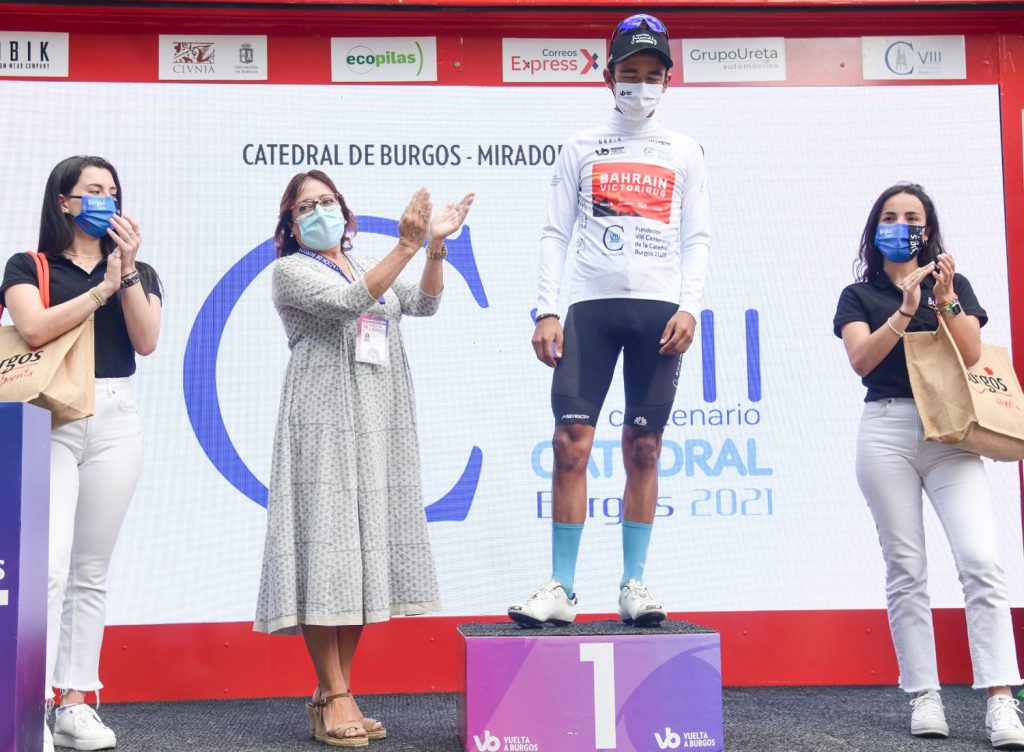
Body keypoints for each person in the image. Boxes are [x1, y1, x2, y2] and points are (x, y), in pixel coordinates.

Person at [253, 170, 473, 747]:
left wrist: (434, 246)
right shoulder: (291, 271)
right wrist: (406, 245)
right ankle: (335, 693)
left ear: (345, 212)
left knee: (356, 556)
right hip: (322, 417)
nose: (318, 212)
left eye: (327, 201)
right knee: (325, 550)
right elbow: (351, 303)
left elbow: (424, 303)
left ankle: (336, 691)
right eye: (305, 207)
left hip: (377, 419)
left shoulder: (364, 262)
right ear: (290, 223)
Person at [508, 13, 710, 628]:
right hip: (590, 311)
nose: (640, 85)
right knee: (570, 444)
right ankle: (562, 590)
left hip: (660, 314)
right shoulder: (580, 147)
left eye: (652, 75)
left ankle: (633, 585)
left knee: (644, 447)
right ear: (608, 76)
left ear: (667, 80)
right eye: (630, 73)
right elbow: (555, 232)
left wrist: (690, 305)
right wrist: (546, 308)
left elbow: (696, 238)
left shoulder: (684, 151)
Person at [833, 183, 1024, 748]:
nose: (901, 226)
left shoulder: (952, 285)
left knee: (981, 560)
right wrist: (905, 310)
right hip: (886, 429)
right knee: (906, 568)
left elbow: (971, 352)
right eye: (890, 217)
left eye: (911, 218)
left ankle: (1000, 697)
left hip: (951, 431)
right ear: (875, 229)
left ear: (928, 229)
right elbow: (862, 360)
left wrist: (943, 300)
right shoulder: (858, 295)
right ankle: (924, 694)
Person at [0, 156, 162, 752]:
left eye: (113, 191)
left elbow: (146, 340)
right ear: (64, 201)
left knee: (91, 570)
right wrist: (99, 290)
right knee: (47, 567)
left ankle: (74, 703)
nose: (105, 200)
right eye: (93, 190)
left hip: (117, 414)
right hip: (51, 416)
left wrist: (127, 274)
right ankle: (27, 707)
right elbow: (33, 328)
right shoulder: (29, 265)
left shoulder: (136, 270)